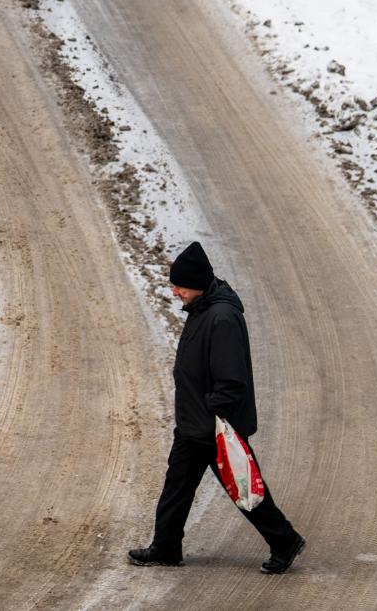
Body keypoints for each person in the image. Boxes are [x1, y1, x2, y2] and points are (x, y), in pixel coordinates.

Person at [127, 241, 306, 574]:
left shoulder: (221, 318)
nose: (174, 291)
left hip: (215, 426)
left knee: (243, 487)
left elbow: (231, 379)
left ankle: (285, 541)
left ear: (196, 283)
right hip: (195, 423)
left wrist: (212, 412)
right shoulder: (202, 310)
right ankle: (166, 546)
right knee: (177, 486)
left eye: (179, 285)